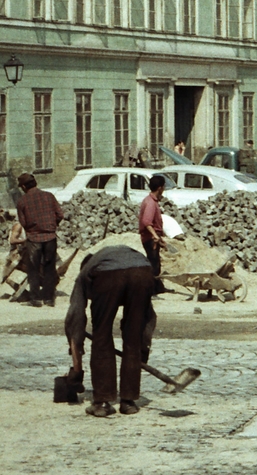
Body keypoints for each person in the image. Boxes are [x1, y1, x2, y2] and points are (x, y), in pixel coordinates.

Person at [63, 241, 157, 417]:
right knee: (133, 337)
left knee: (101, 336)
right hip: (144, 271)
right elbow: (148, 318)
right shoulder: (124, 257)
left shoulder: (85, 275)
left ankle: (102, 402)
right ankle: (128, 402)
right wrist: (141, 351)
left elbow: (75, 321)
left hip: (109, 276)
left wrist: (76, 373)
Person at [14, 172, 64, 308]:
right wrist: (52, 225)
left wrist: (33, 228)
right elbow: (60, 214)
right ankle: (49, 299)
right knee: (49, 268)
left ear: (24, 187)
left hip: (34, 238)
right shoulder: (49, 196)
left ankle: (35, 299)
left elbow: (23, 222)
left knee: (34, 268)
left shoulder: (22, 201)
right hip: (50, 237)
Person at [137, 174, 168, 282]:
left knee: (156, 263)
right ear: (160, 188)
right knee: (153, 263)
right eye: (163, 187)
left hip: (153, 237)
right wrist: (155, 235)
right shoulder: (150, 203)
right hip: (150, 238)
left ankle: (158, 287)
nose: (164, 190)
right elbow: (146, 221)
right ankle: (151, 288)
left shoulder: (151, 200)